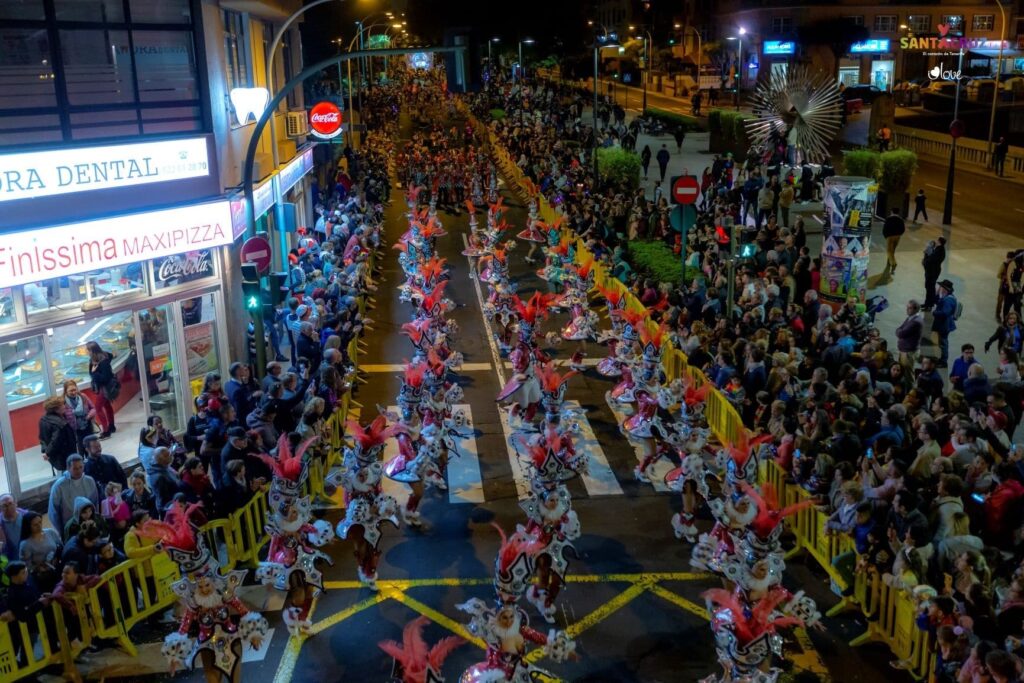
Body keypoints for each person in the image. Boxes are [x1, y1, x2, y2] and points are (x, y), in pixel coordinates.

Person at [47, 454, 99, 535]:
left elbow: (95, 504)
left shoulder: (90, 481)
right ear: (68, 468)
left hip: (89, 526)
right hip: (70, 529)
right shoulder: (59, 486)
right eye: (75, 468)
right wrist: (61, 532)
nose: (78, 471)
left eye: (81, 467)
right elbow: (53, 512)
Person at [17, 512, 62, 592]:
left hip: (57, 568)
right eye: (35, 524)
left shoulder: (50, 532)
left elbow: (60, 546)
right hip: (42, 577)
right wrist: (38, 568)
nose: (39, 526)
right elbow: (25, 565)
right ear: (28, 526)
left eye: (40, 522)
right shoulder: (26, 544)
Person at [38, 395, 77, 473]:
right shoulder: (61, 424)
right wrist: (48, 453)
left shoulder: (43, 420)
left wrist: (46, 452)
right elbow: (56, 442)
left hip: (55, 458)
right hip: (65, 457)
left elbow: (41, 438)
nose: (64, 406)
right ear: (55, 409)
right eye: (62, 405)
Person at [86, 341, 117, 438]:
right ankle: (111, 426)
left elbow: (105, 378)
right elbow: (111, 355)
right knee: (107, 406)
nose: (87, 352)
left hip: (105, 388)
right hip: (104, 388)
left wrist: (94, 373)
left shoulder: (103, 362)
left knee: (98, 408)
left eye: (87, 350)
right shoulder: (101, 357)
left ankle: (106, 431)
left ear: (92, 351)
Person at [62, 380, 96, 454]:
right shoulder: (62, 402)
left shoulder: (83, 396)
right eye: (71, 391)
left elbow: (93, 408)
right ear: (66, 391)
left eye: (75, 389)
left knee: (91, 448)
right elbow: (62, 418)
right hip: (75, 431)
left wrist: (89, 416)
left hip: (87, 426)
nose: (74, 392)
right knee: (80, 450)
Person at [145, 446, 181, 514]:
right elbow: (165, 500)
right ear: (163, 459)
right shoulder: (160, 477)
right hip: (170, 508)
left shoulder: (161, 466)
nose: (171, 455)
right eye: (169, 455)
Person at [932, 279, 958, 368]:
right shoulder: (946, 296)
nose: (940, 288)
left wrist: (934, 313)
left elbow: (945, 313)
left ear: (945, 289)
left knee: (943, 343)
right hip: (943, 324)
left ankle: (943, 361)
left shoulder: (948, 300)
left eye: (941, 287)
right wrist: (937, 292)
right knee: (941, 342)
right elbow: (937, 301)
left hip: (944, 325)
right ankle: (941, 358)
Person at [895, 300, 924, 374]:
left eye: (909, 308)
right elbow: (900, 328)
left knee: (908, 374)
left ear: (915, 309)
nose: (907, 309)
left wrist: (898, 331)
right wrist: (899, 331)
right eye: (907, 307)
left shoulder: (916, 321)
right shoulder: (911, 317)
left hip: (908, 352)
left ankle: (909, 386)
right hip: (905, 350)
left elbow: (901, 333)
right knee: (902, 371)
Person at [0, 493, 27, 562]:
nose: (8, 507)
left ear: (15, 503)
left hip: (29, 554)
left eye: (10, 503)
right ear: (0, 508)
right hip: (10, 561)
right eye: (4, 506)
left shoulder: (26, 516)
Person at [922, 238, 946, 310]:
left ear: (939, 242)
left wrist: (926, 255)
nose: (936, 242)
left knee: (930, 288)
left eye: (937, 241)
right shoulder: (939, 249)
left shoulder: (939, 250)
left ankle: (929, 305)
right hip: (932, 271)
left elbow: (930, 260)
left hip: (932, 272)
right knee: (929, 287)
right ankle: (927, 303)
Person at [882, 207, 906, 273]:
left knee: (889, 250)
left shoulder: (888, 219)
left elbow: (885, 228)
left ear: (892, 211)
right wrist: (899, 234)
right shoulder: (900, 220)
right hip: (897, 237)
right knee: (893, 250)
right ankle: (889, 261)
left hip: (890, 237)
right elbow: (903, 229)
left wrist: (886, 236)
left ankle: (893, 263)